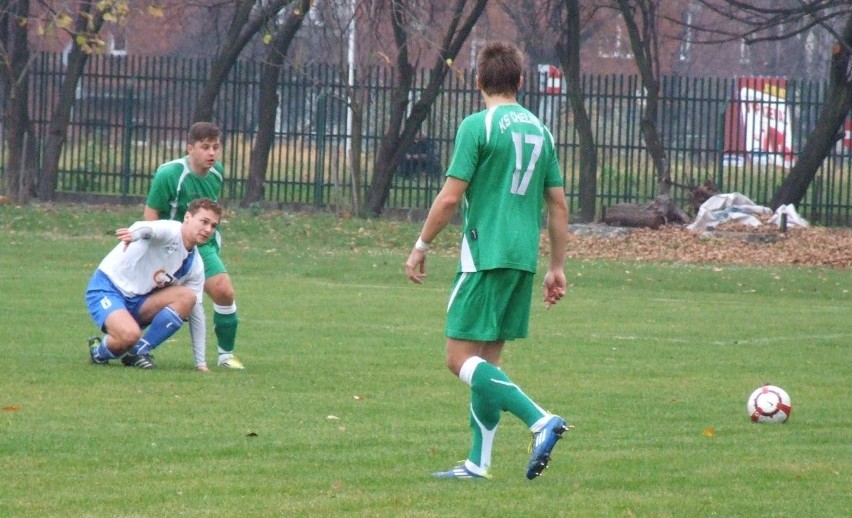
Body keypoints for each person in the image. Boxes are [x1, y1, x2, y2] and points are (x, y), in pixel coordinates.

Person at [405, 41, 571, 480]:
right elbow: (558, 205)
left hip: (484, 254)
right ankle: (478, 464)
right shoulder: (542, 130)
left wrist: (420, 245)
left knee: (458, 359)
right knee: (486, 365)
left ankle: (541, 420)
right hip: (523, 259)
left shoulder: (478, 126)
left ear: (477, 81)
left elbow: (449, 198)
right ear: (519, 81)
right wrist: (556, 266)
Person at [143, 122, 244, 370]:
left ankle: (225, 356)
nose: (211, 153)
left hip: (203, 246)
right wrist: (155, 251)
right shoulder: (169, 174)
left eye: (216, 147)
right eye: (205, 147)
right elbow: (150, 214)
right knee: (150, 300)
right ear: (190, 148)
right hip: (170, 246)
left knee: (224, 290)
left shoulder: (217, 173)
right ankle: (136, 347)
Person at [86, 198, 223, 369]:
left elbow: (196, 313)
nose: (208, 229)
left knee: (188, 297)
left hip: (140, 301)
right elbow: (146, 229)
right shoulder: (171, 230)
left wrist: (201, 363)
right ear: (187, 217)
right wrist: (133, 234)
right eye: (204, 222)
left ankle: (137, 352)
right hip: (107, 288)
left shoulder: (195, 265)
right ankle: (99, 353)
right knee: (129, 335)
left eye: (213, 226)